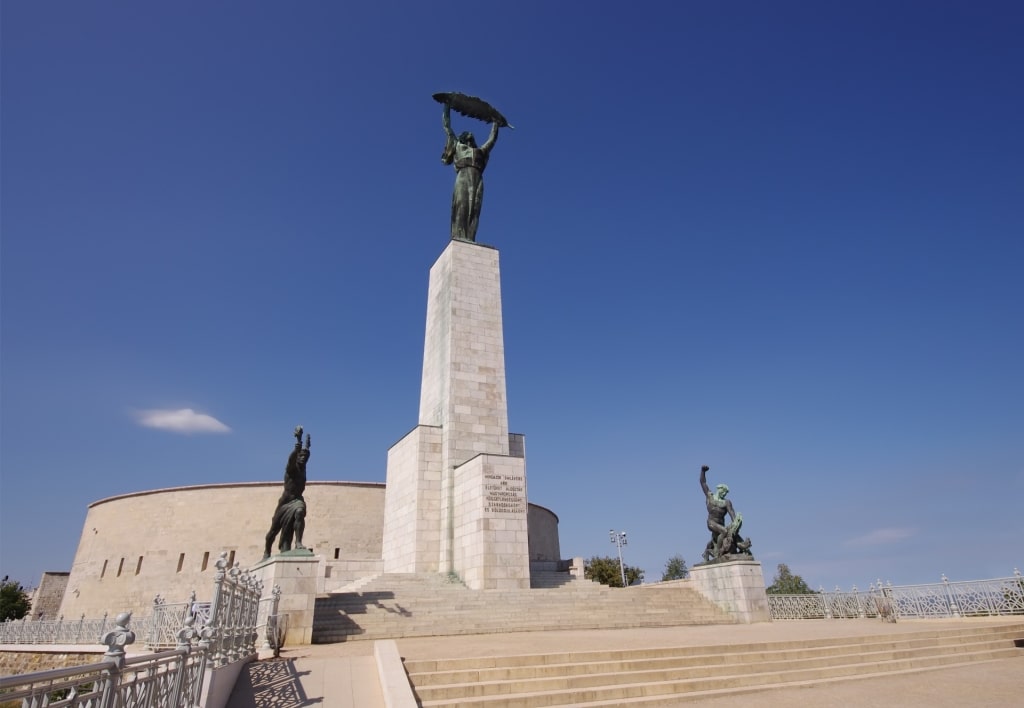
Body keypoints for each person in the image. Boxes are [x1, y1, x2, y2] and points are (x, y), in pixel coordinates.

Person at [441, 103, 499, 242]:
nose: (471, 134)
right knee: (461, 206)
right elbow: (447, 127)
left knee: (475, 208)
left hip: (477, 178)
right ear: (463, 137)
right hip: (463, 176)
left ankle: (470, 237)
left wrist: (495, 123)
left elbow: (492, 140)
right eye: (468, 133)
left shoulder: (480, 151)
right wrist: (447, 105)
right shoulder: (457, 146)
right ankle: (458, 236)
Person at [263, 427, 311, 559]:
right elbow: (291, 460)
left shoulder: (303, 470)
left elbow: (306, 453)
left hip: (298, 500)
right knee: (273, 531)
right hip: (285, 503)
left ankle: (298, 542)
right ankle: (267, 551)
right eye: (301, 456)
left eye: (305, 457)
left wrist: (306, 447)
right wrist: (297, 447)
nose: (303, 458)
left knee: (300, 512)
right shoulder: (291, 469)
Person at [699, 464, 751, 561]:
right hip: (711, 523)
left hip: (721, 524)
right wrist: (703, 471)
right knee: (724, 531)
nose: (725, 493)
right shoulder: (710, 496)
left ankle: (742, 547)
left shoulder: (727, 502)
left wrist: (735, 523)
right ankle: (717, 553)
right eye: (724, 491)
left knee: (729, 534)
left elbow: (732, 513)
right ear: (719, 489)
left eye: (726, 493)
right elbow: (703, 482)